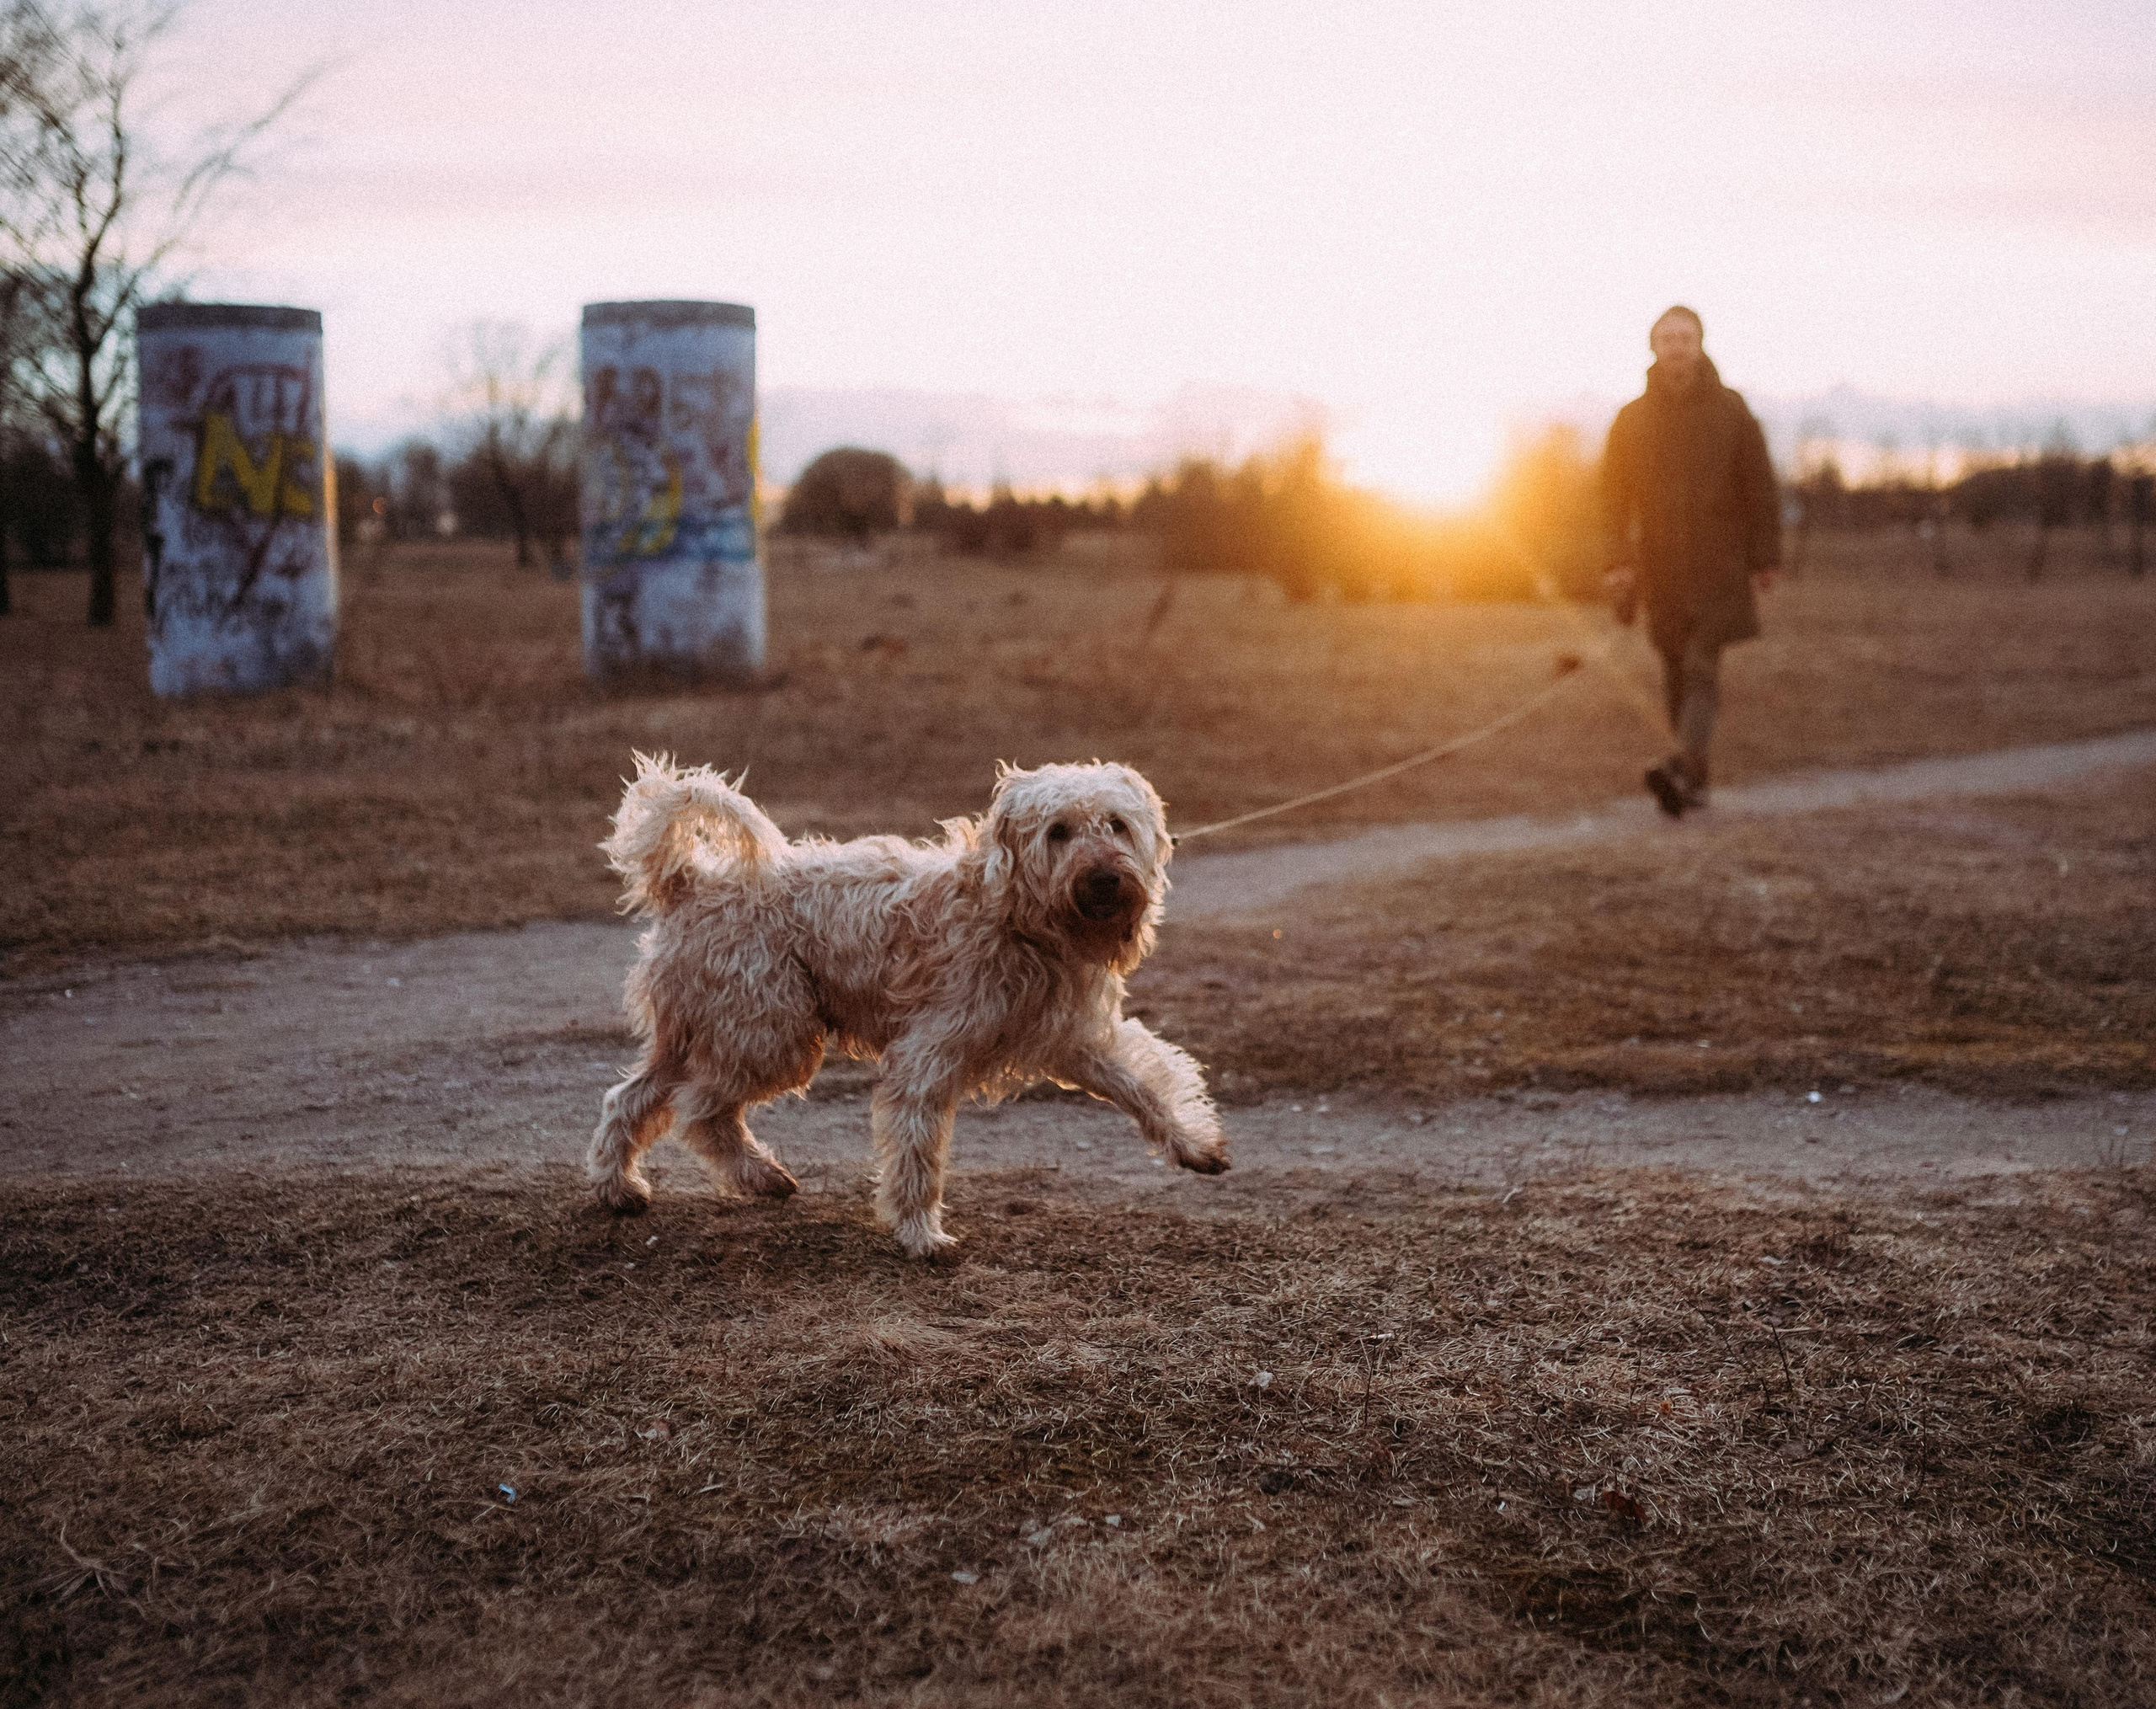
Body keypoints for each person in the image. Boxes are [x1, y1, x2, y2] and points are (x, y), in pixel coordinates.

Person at [1601, 305, 1782, 815]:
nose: (1677, 346)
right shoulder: (1631, 419)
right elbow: (1611, 498)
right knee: (1676, 667)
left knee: (1703, 659)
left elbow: (1760, 486)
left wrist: (1765, 557)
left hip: (1721, 563)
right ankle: (1693, 781)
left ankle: (1682, 766)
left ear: (1700, 345)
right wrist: (1618, 562)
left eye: (1686, 337)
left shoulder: (1732, 411)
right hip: (1661, 567)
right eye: (1667, 338)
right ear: (1653, 347)